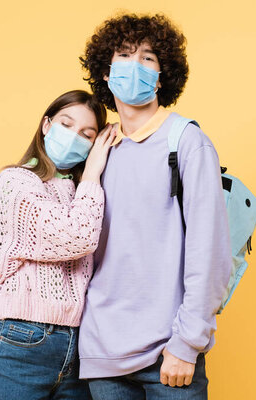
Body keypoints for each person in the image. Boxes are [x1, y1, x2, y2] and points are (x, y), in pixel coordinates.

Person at [77, 13, 233, 399]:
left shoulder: (187, 142)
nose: (135, 66)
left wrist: (187, 344)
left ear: (162, 76)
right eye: (125, 55)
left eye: (148, 58)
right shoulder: (97, 147)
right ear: (105, 72)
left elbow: (209, 252)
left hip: (168, 353)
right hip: (101, 355)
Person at [0, 89, 117, 400]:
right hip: (23, 338)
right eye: (66, 124)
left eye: (86, 134)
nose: (73, 137)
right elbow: (75, 237)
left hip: (80, 343)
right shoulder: (15, 182)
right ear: (46, 125)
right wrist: (94, 171)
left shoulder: (82, 190)